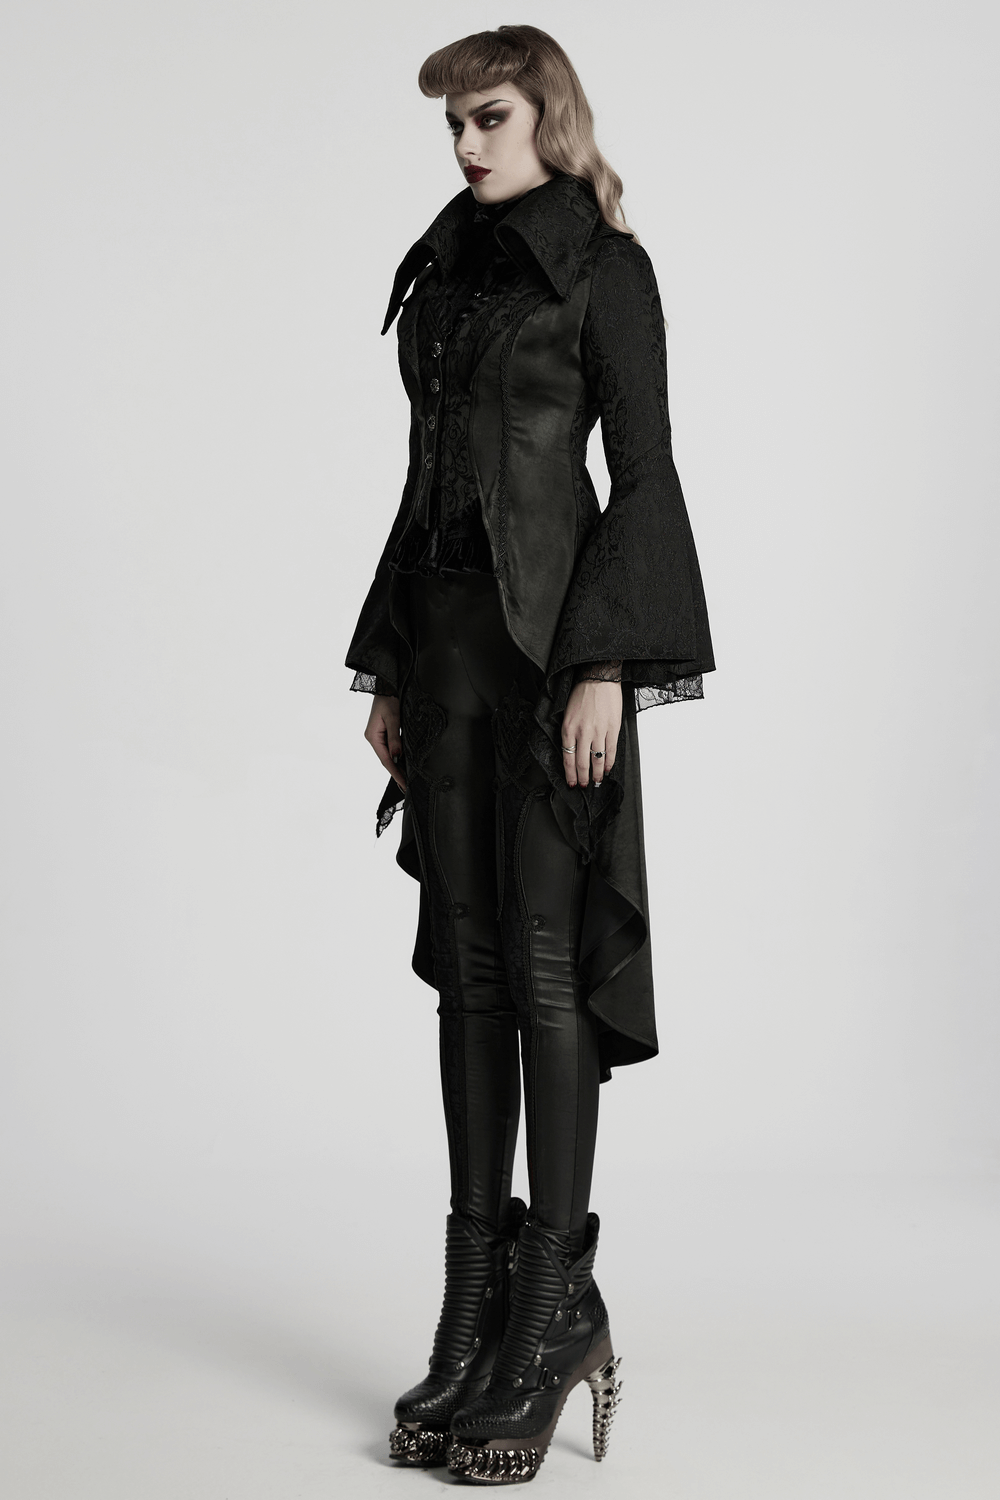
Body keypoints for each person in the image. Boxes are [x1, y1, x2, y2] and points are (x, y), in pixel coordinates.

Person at [345, 24, 714, 1486]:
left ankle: (555, 1307)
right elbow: (426, 480)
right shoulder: (445, 273)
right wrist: (388, 660)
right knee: (474, 974)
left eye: (486, 117)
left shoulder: (605, 272)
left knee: (551, 973)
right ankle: (476, 1302)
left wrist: (607, 663)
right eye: (451, 125)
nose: (465, 146)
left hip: (556, 662)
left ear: (547, 113)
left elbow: (647, 471)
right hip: (445, 661)